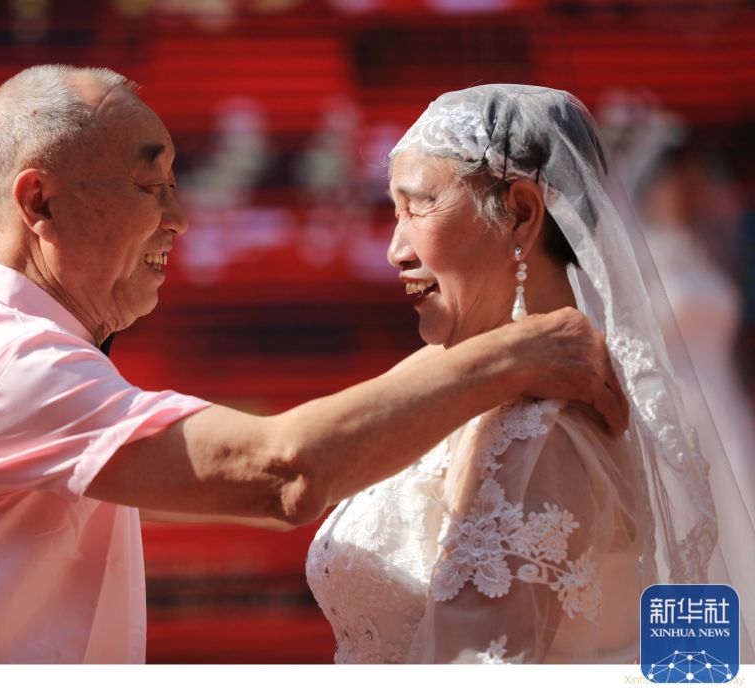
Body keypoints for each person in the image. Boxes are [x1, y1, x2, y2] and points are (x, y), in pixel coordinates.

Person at [0, 67, 625, 665]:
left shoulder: (19, 353)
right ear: (39, 201)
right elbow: (280, 472)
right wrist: (516, 350)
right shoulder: (0, 362)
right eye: (152, 186)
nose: (182, 218)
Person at [306, 84, 755, 664]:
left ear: (520, 214)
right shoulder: (475, 381)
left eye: (416, 207)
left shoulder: (532, 430)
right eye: (395, 213)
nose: (396, 250)